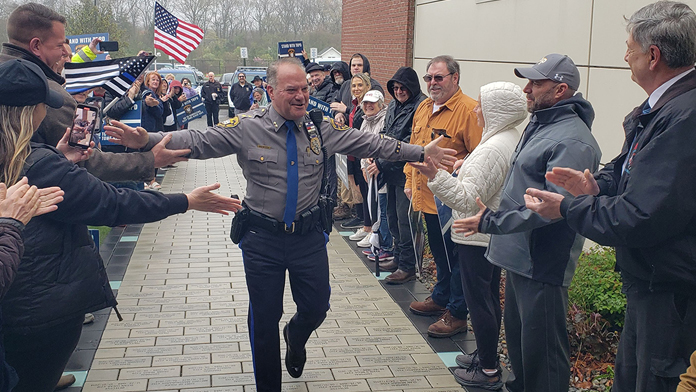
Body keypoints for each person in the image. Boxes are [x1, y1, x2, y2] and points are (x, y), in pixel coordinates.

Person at [106, 57, 458, 392]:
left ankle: (297, 334)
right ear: (271, 92)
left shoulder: (321, 127)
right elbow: (199, 140)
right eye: (291, 90)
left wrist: (420, 152)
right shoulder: (248, 126)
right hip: (262, 239)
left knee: (317, 307)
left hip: (307, 238)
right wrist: (148, 140)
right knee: (263, 320)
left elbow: (371, 142)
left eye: (304, 88)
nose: (302, 95)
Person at [0, 58, 241, 392]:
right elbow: (112, 203)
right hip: (39, 306)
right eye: (44, 105)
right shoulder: (37, 163)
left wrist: (60, 158)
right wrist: (185, 200)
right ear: (29, 111)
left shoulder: (32, 158)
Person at [523, 3, 696, 392]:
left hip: (671, 293)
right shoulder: (663, 108)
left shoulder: (685, 116)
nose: (624, 57)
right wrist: (596, 186)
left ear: (654, 56)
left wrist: (567, 206)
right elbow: (628, 169)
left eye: (629, 48)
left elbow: (641, 216)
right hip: (651, 282)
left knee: (655, 380)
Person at [454, 54, 601, 392]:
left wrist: (490, 221)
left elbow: (550, 208)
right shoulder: (542, 125)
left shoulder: (572, 141)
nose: (527, 89)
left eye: (536, 83)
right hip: (520, 260)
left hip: (542, 265)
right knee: (522, 358)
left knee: (543, 362)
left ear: (561, 89)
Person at [411, 81, 526, 389]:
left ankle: (487, 370)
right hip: (488, 233)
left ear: (497, 112)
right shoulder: (507, 138)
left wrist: (434, 174)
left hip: (475, 236)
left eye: (482, 106)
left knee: (480, 301)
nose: (476, 109)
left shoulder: (491, 148)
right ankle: (485, 356)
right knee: (488, 298)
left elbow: (465, 199)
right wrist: (463, 167)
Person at [0, 3, 176, 184]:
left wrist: (59, 156)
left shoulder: (11, 75)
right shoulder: (49, 95)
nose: (64, 55)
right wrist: (147, 161)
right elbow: (86, 161)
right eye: (60, 46)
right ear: (36, 45)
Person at [404, 56, 480, 341]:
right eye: (429, 78)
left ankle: (458, 313)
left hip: (452, 202)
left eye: (439, 77)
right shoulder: (423, 107)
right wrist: (409, 181)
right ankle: (441, 296)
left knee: (458, 258)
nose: (433, 83)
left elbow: (477, 156)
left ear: (455, 77)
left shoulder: (469, 110)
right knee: (440, 254)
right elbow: (414, 147)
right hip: (426, 197)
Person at [373, 66, 426, 278]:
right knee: (392, 216)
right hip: (391, 170)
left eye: (403, 87)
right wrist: (377, 155)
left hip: (408, 172)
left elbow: (411, 141)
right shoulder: (394, 105)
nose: (398, 91)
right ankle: (398, 257)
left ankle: (408, 266)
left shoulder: (421, 106)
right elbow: (386, 133)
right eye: (395, 88)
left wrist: (383, 160)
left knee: (406, 220)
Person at [358, 90, 392, 260]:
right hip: (369, 172)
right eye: (365, 103)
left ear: (380, 104)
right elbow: (361, 147)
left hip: (382, 173)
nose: (368, 106)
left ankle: (386, 246)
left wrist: (376, 166)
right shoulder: (365, 122)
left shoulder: (385, 120)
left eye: (372, 103)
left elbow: (385, 147)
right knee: (375, 208)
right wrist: (364, 167)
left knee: (383, 210)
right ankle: (377, 244)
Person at [338, 73, 373, 235]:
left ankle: (369, 226)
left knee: (367, 191)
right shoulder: (353, 105)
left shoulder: (368, 106)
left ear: (367, 86)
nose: (356, 88)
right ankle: (364, 222)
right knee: (358, 189)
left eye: (360, 85)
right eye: (354, 85)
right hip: (352, 153)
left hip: (362, 154)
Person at [330, 54, 384, 120]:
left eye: (359, 65)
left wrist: (347, 110)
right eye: (353, 65)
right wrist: (338, 113)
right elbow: (335, 102)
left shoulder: (374, 87)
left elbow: (373, 112)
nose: (356, 67)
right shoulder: (346, 84)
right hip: (345, 128)